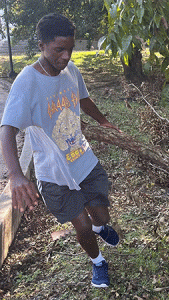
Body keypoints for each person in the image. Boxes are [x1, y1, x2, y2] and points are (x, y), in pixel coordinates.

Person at [0, 13, 120, 287]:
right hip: (54, 175)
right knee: (83, 227)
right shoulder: (27, 82)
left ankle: (102, 227)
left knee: (101, 216)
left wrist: (102, 120)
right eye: (59, 50)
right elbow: (7, 130)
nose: (66, 56)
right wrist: (17, 176)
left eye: (70, 49)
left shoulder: (71, 70)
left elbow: (83, 98)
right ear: (41, 45)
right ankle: (98, 262)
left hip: (84, 161)